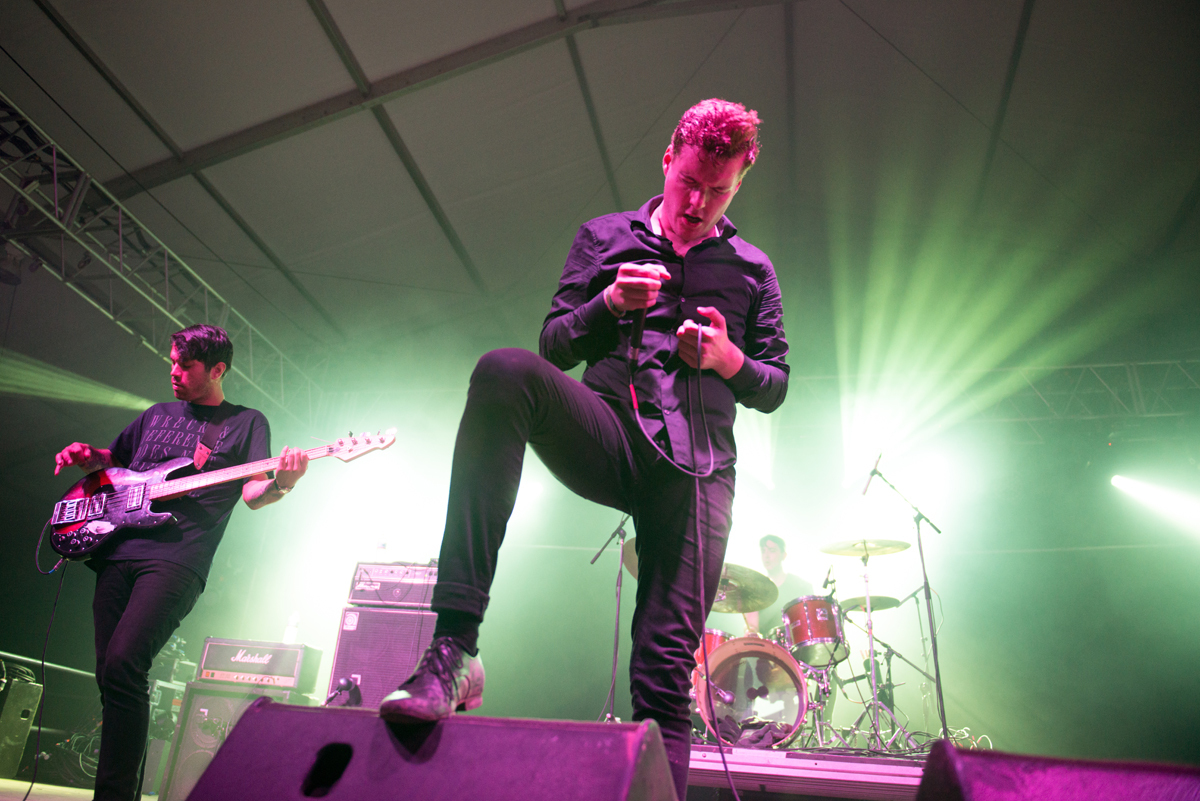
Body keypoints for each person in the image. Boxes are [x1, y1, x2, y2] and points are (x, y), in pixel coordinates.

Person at [379, 98, 788, 796]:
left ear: (740, 182)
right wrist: (609, 307)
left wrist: (725, 359)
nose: (697, 203)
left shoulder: (752, 269)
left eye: (718, 192)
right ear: (668, 158)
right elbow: (553, 344)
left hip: (697, 473)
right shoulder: (604, 237)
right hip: (609, 434)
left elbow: (774, 384)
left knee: (662, 667)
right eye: (689, 182)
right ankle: (455, 648)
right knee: (505, 371)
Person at [52, 324, 309, 801]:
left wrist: (284, 482)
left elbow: (252, 493)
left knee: (126, 662)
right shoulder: (156, 414)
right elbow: (117, 465)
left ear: (217, 369)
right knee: (110, 674)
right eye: (172, 363)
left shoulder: (246, 422)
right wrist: (89, 457)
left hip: (177, 558)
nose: (174, 373)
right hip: (118, 551)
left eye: (185, 366)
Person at [744, 534, 813, 637]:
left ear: (783, 555)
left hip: (797, 645)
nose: (766, 556)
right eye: (763, 551)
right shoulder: (756, 591)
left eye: (772, 550)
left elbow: (810, 621)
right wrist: (750, 632)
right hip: (768, 648)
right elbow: (752, 627)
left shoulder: (801, 586)